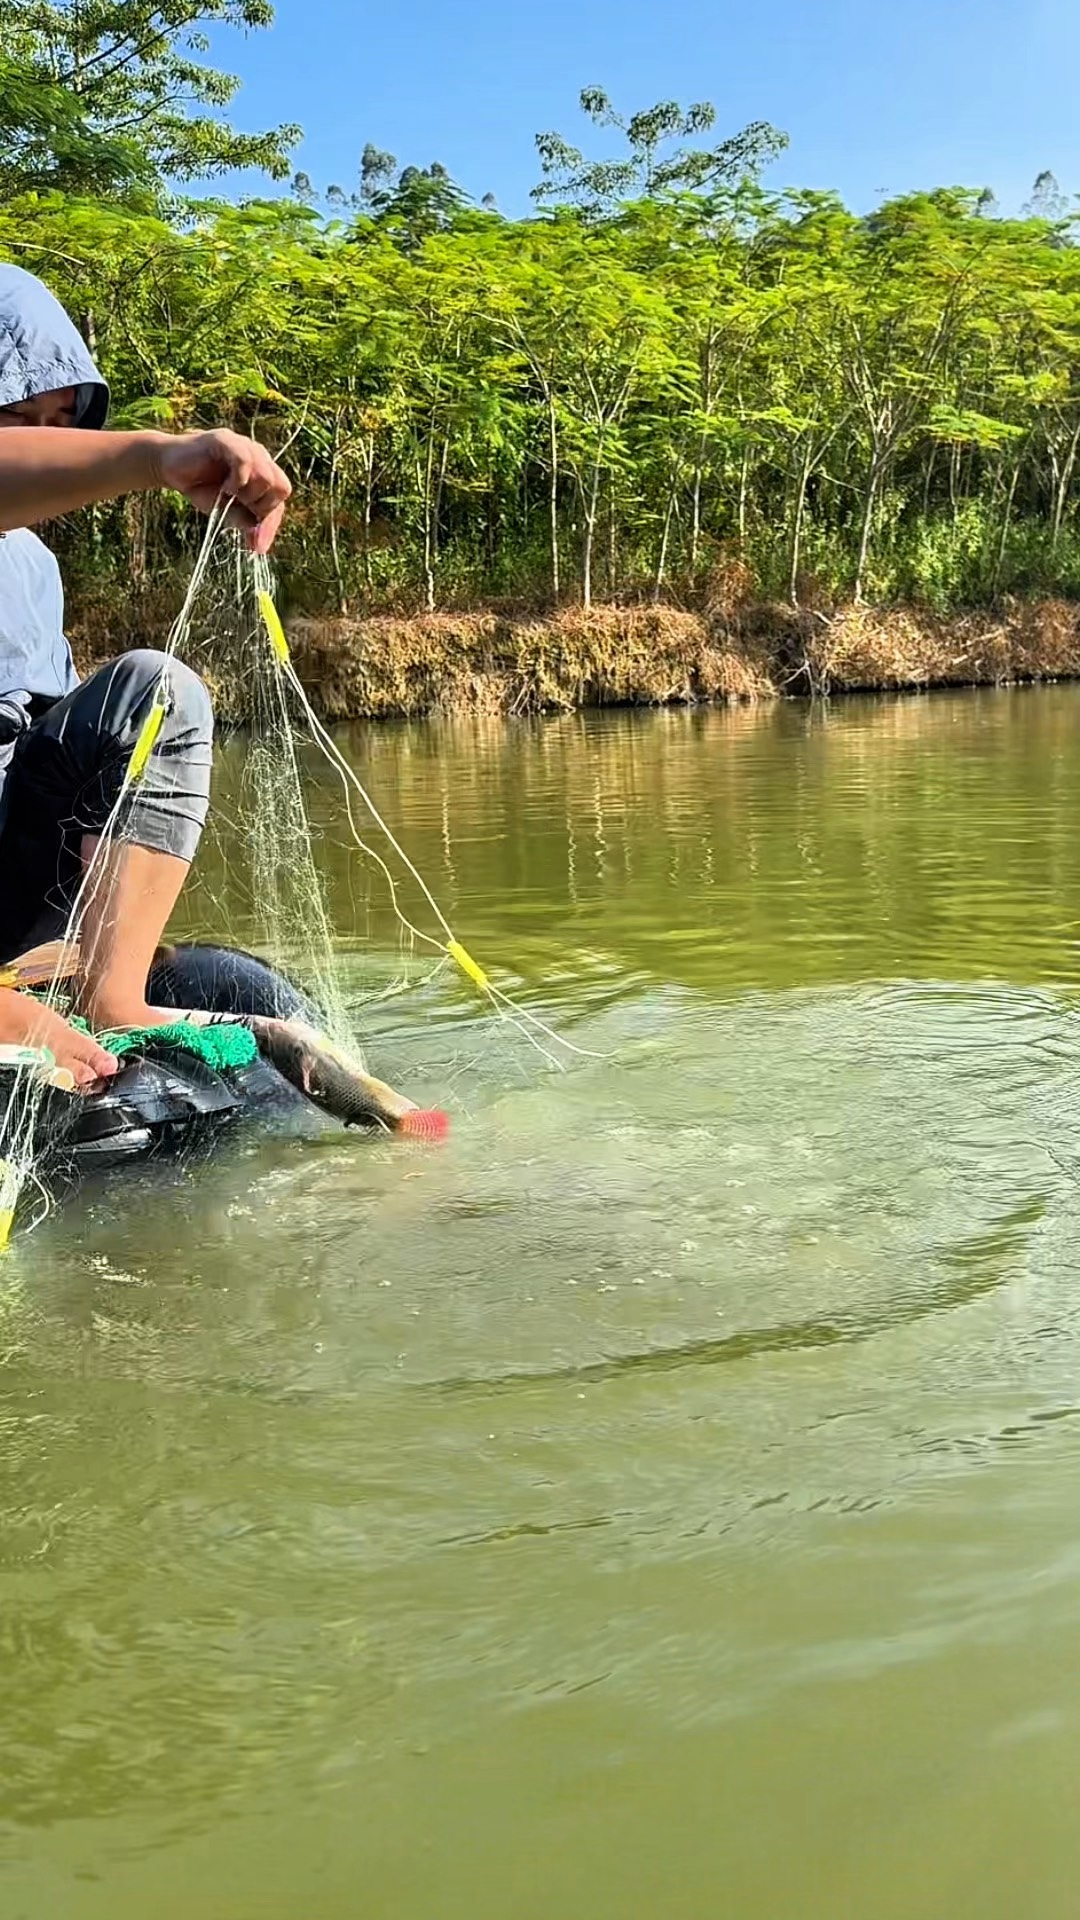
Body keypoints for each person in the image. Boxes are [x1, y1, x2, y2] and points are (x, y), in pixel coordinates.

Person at [0, 263, 290, 1087]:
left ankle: (114, 995)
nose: (53, 446)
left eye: (65, 424)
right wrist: (160, 456)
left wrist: (73, 931)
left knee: (156, 689)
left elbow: (53, 766)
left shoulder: (31, 562)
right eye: (22, 420)